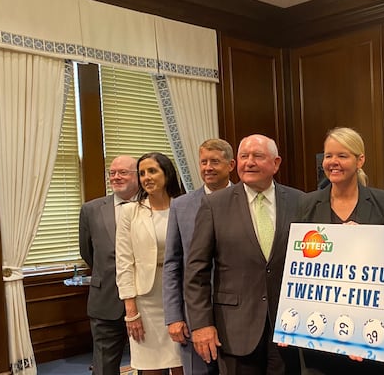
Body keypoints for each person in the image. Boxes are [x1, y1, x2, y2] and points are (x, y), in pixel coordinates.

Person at [185, 135, 303, 375]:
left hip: (289, 328)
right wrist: (201, 325)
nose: (249, 162)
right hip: (234, 330)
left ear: (276, 163)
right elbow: (196, 271)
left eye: (258, 156)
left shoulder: (300, 201)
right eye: (243, 156)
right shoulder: (214, 205)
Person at [296, 127, 384, 375]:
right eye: (328, 155)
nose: (333, 162)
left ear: (360, 159)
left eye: (342, 155)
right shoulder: (306, 204)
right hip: (321, 335)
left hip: (373, 333)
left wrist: (365, 242)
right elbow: (297, 267)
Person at [163, 139, 235, 375]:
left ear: (231, 165)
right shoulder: (181, 206)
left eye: (215, 161)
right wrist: (174, 316)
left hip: (239, 317)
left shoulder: (247, 201)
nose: (208, 168)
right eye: (203, 162)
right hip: (192, 316)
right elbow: (173, 264)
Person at [116, 152, 185, 375]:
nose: (147, 177)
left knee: (182, 361)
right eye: (142, 173)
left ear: (167, 174)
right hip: (145, 300)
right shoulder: (129, 212)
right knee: (149, 364)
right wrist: (130, 311)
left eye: (152, 171)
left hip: (181, 295)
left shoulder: (184, 207)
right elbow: (124, 262)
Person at [79, 155, 139, 375]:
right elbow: (88, 253)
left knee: (151, 364)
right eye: (112, 172)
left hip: (146, 299)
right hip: (105, 299)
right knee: (104, 366)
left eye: (123, 172)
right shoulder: (90, 210)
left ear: (138, 176)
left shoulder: (152, 205)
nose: (116, 177)